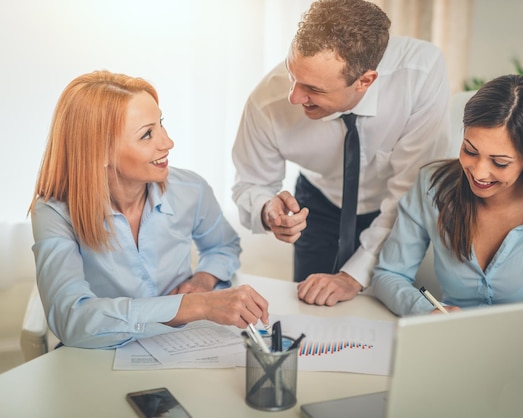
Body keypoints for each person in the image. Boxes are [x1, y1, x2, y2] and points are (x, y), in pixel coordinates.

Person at [232, 0, 450, 306]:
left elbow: (410, 192)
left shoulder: (419, 74)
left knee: (383, 311)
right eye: (291, 74)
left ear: (365, 81)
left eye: (313, 89)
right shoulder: (267, 101)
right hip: (318, 204)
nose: (293, 96)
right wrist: (268, 211)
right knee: (312, 308)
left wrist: (352, 277)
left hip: (396, 209)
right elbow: (249, 184)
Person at [29, 70, 269, 349]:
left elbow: (223, 246)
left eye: (161, 124)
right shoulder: (53, 212)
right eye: (147, 134)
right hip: (99, 355)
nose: (167, 143)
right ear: (100, 152)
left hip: (184, 344)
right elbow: (71, 317)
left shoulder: (190, 188)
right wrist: (194, 306)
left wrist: (205, 278)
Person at [371, 74, 523, 316]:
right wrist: (427, 311)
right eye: (470, 151)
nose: (479, 173)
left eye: (500, 162)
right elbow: (389, 274)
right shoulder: (431, 185)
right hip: (453, 342)